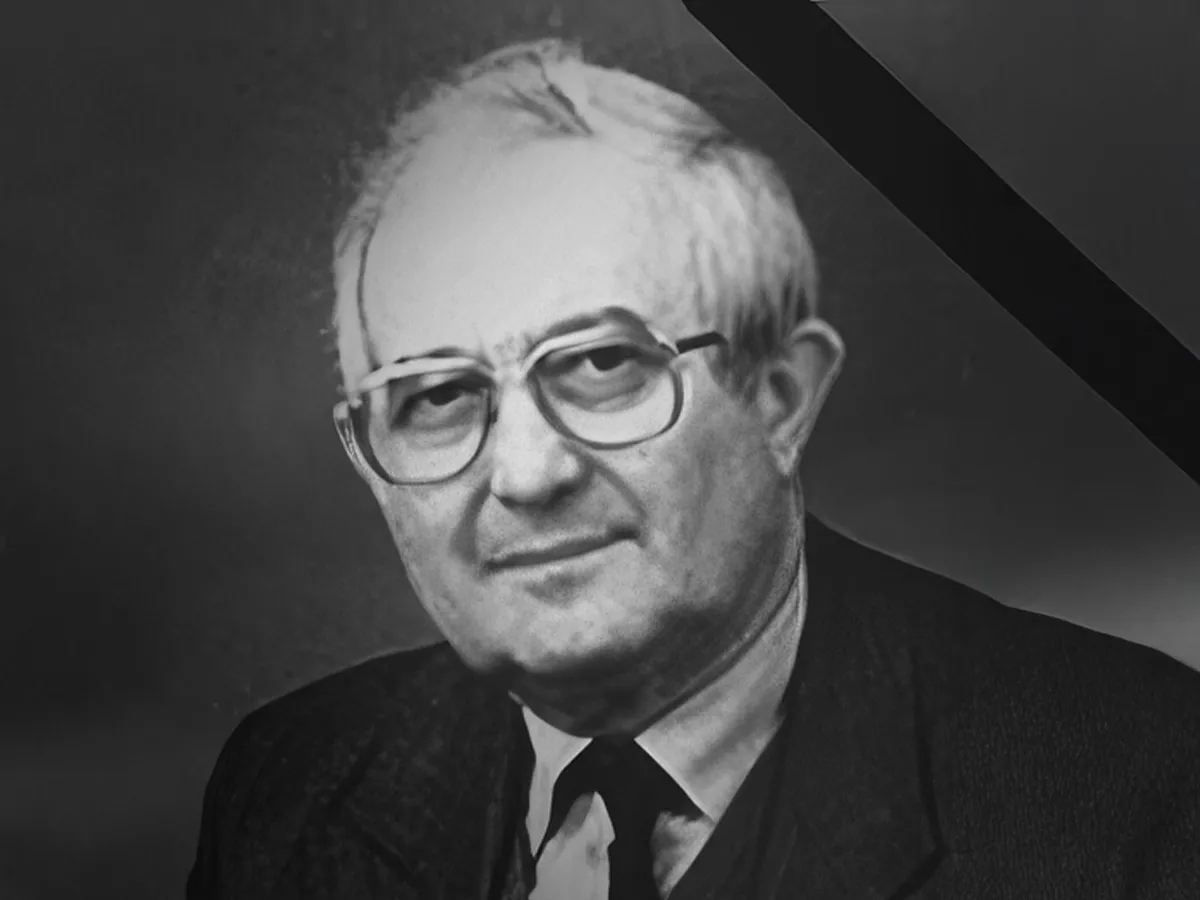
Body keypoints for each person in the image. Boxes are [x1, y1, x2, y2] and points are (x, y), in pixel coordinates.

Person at [186, 38, 1200, 900]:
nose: (528, 476)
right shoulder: (288, 782)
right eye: (438, 397)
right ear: (367, 457)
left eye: (599, 365)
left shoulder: (1138, 789)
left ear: (781, 396)